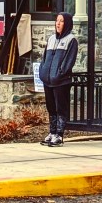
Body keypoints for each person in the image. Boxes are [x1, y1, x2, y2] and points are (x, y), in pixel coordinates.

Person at [40, 11, 78, 146]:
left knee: (61, 108)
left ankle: (59, 135)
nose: (58, 23)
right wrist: (43, 72)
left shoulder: (71, 40)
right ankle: (52, 132)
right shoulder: (51, 39)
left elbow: (69, 61)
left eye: (61, 21)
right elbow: (44, 58)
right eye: (57, 21)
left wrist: (60, 74)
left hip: (61, 81)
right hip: (48, 81)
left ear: (67, 23)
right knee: (51, 108)